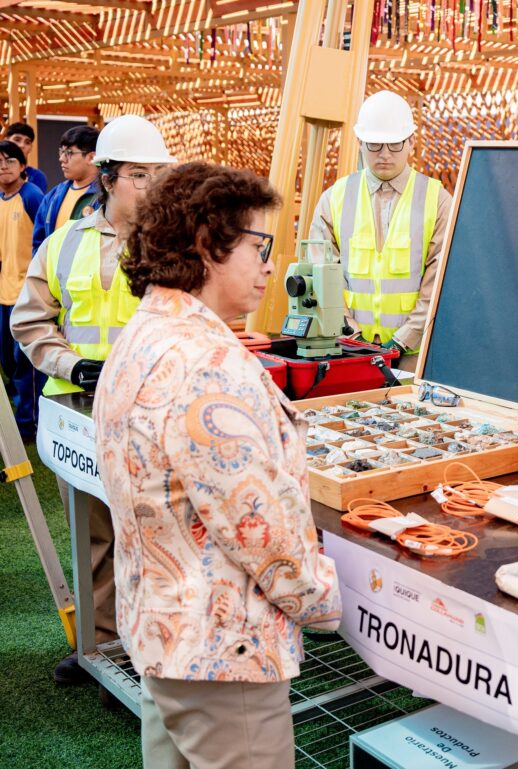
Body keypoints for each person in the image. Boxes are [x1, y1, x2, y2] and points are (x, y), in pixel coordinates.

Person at [94, 161, 340, 768]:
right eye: (260, 245)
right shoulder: (207, 364)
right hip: (225, 656)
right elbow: (261, 531)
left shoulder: (144, 334)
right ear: (208, 245)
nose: (268, 265)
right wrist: (324, 597)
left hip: (165, 635)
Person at [11, 114, 174, 685]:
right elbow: (32, 322)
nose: (150, 187)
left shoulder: (176, 249)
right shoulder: (61, 246)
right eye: (138, 175)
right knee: (93, 535)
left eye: (158, 174)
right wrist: (72, 365)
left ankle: (150, 650)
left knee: (154, 533)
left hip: (154, 417)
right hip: (74, 415)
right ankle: (101, 651)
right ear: (106, 177)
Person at [309, 90, 452, 369]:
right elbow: (320, 273)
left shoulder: (437, 200)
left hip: (415, 355)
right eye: (375, 144)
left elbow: (439, 281)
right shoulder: (335, 198)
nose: (385, 154)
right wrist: (350, 331)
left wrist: (404, 339)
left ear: (411, 141)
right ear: (360, 142)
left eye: (395, 144)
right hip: (348, 349)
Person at [0, 140, 44, 439]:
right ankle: (19, 415)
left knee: (24, 364)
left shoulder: (32, 196)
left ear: (22, 166)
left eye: (9, 161)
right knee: (7, 359)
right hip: (3, 292)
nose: (3, 167)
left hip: (24, 294)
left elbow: (44, 241)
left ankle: (29, 423)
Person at [33, 124, 100, 254]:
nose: (61, 159)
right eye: (61, 152)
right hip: (51, 274)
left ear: (91, 157)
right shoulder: (53, 196)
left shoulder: (106, 196)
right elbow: (39, 243)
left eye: (69, 153)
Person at [3, 122, 47, 192]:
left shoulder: (36, 176)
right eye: (17, 140)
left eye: (27, 142)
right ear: (6, 141)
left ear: (31, 148)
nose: (22, 145)